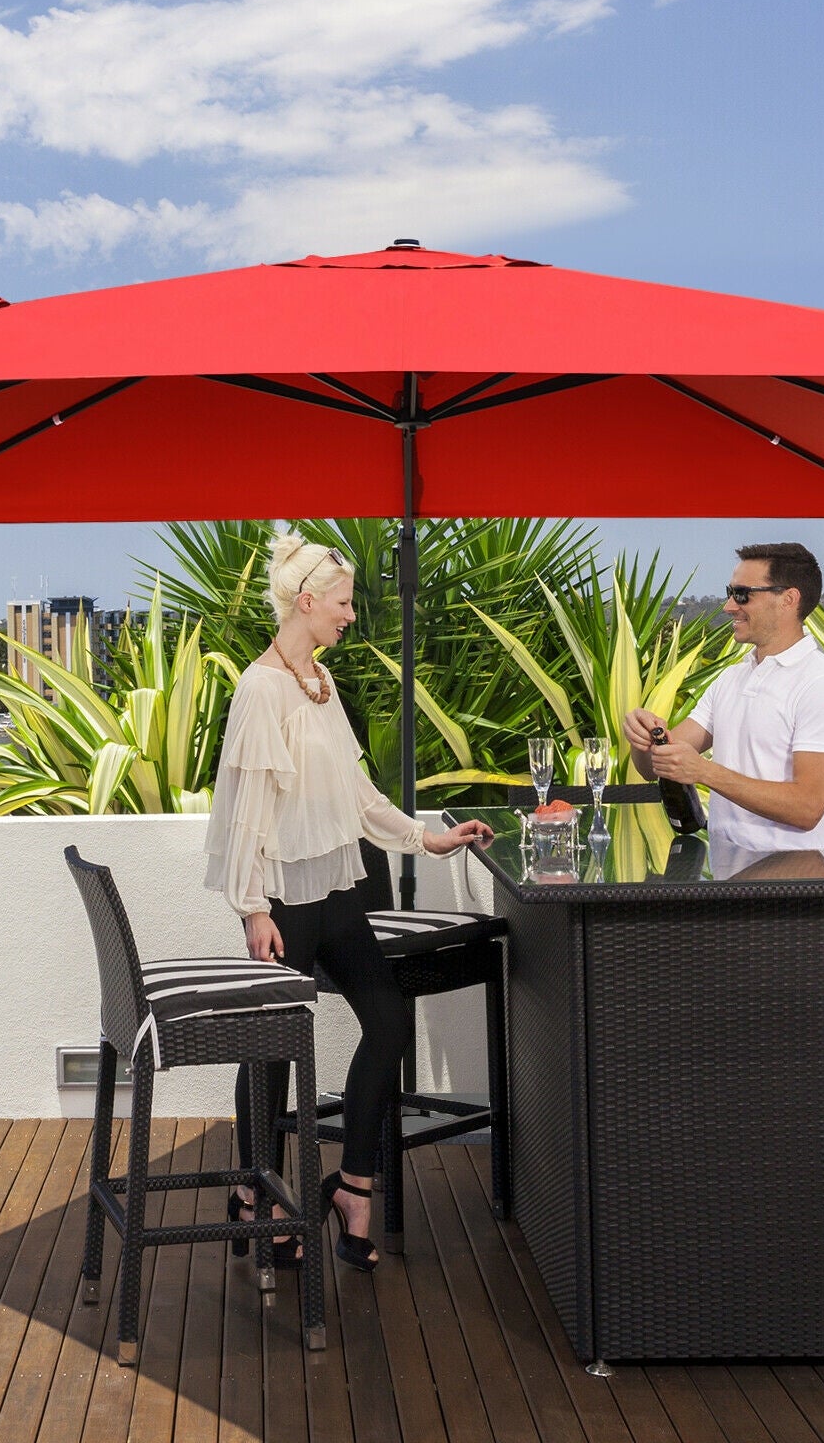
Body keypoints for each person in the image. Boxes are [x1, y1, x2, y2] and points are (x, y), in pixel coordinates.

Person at [205, 532, 492, 1272]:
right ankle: (257, 1195)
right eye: (343, 603)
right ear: (306, 602)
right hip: (281, 897)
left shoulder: (320, 685)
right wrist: (251, 908)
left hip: (332, 892)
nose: (350, 616)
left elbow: (356, 796)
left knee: (389, 1022)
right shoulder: (260, 688)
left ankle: (351, 1188)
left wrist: (428, 840)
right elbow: (242, 806)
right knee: (268, 1048)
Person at [624, 542, 824, 852]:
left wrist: (705, 772)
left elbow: (808, 808)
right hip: (730, 878)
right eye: (730, 592)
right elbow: (656, 766)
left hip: (798, 887)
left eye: (742, 594)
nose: (728, 606)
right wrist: (643, 739)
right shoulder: (731, 679)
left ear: (788, 599)